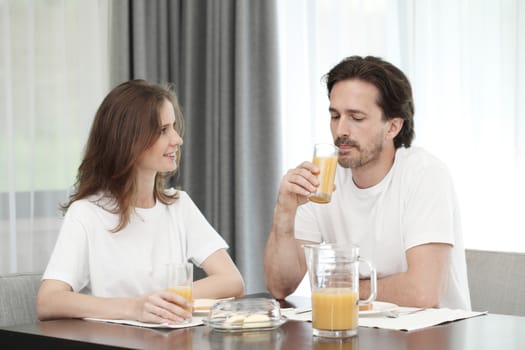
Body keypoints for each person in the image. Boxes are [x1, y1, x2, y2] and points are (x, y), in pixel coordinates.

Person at [263, 56, 471, 310]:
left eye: (356, 118)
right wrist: (284, 211)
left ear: (392, 127)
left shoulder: (424, 174)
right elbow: (280, 287)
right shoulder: (321, 181)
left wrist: (338, 287)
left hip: (430, 337)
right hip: (356, 331)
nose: (341, 130)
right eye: (335, 115)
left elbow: (422, 293)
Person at [36, 80, 245, 324]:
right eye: (162, 130)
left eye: (174, 127)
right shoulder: (86, 213)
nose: (177, 139)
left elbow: (232, 281)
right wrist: (134, 308)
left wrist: (162, 302)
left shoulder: (179, 205)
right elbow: (48, 301)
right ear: (129, 141)